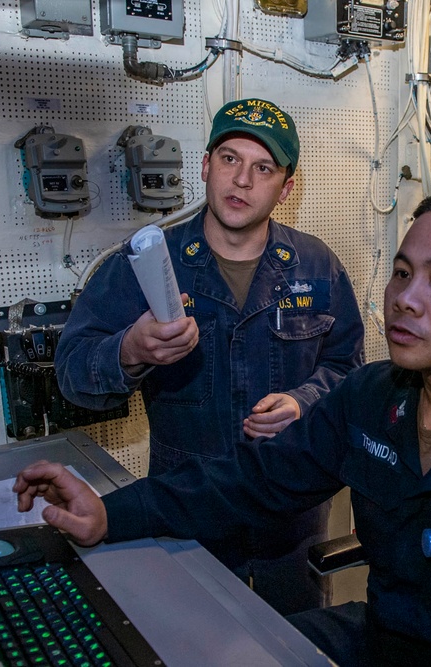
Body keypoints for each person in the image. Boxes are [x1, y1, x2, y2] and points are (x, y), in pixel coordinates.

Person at [19, 188, 431, 665]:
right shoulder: (372, 397)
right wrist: (108, 513)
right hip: (379, 639)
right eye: (402, 273)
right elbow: (252, 479)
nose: (406, 299)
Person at [54, 98, 365, 615]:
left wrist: (302, 400)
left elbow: (347, 368)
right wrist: (129, 351)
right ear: (205, 166)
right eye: (229, 159)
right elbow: (72, 372)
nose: (242, 180)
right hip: (184, 505)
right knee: (191, 640)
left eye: (262, 167)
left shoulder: (316, 265)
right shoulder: (147, 263)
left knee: (296, 639)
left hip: (290, 510)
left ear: (286, 188)